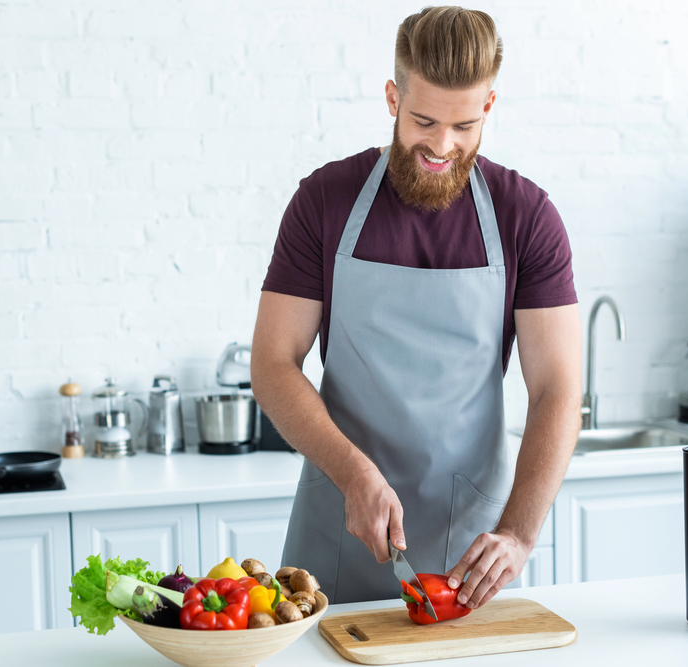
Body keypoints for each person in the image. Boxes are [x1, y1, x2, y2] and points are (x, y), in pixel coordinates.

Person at [251, 6, 582, 608]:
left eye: (463, 126)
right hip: (337, 525)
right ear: (391, 97)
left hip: (471, 551)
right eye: (424, 120)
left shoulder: (526, 217)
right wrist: (353, 473)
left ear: (488, 106)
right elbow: (273, 363)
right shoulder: (324, 202)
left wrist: (518, 533)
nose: (441, 145)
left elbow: (558, 388)